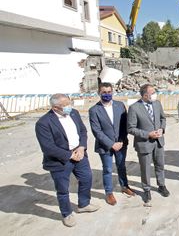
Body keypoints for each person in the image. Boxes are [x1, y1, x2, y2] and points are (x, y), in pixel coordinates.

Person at [35, 94, 99, 227]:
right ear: (55, 107)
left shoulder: (74, 113)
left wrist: (81, 147)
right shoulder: (43, 123)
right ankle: (66, 213)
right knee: (63, 189)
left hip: (79, 154)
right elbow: (48, 147)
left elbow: (82, 131)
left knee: (87, 178)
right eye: (65, 105)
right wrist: (69, 155)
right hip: (60, 160)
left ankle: (84, 204)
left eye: (70, 103)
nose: (69, 107)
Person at [89, 82, 135, 206]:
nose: (107, 94)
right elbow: (96, 131)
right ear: (99, 93)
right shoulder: (94, 110)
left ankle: (124, 186)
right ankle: (109, 193)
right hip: (105, 146)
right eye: (104, 92)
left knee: (121, 166)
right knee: (108, 169)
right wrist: (111, 144)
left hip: (121, 143)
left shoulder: (120, 106)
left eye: (109, 92)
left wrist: (121, 140)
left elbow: (125, 125)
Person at [127, 84, 169, 206]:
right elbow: (131, 128)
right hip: (144, 143)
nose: (155, 94)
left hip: (159, 141)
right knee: (145, 168)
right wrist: (148, 134)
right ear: (145, 95)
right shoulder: (134, 108)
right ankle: (146, 190)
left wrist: (162, 128)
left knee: (160, 165)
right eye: (153, 92)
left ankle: (161, 185)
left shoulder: (157, 104)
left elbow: (163, 118)